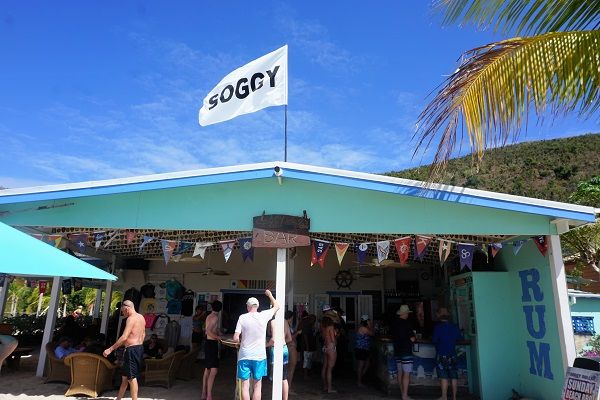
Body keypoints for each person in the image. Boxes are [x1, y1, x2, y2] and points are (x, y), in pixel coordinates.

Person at [232, 290, 280, 400]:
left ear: (247, 306)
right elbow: (277, 306)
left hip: (244, 355)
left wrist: (238, 342)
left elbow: (235, 338)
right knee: (258, 386)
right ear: (257, 306)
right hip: (259, 356)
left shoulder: (242, 317)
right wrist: (270, 295)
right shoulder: (264, 315)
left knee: (245, 386)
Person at [103, 300, 146, 400]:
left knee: (131, 378)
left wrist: (110, 349)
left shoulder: (131, 319)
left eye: (122, 311)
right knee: (125, 378)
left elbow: (124, 337)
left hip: (132, 350)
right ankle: (118, 398)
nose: (123, 313)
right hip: (138, 348)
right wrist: (138, 345)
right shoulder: (141, 317)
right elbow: (143, 334)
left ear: (127, 308)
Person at [432, 308, 463, 400]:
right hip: (452, 354)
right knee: (454, 377)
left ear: (439, 316)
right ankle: (454, 398)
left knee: (443, 377)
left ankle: (444, 397)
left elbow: (434, 340)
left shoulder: (438, 328)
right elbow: (459, 338)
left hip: (441, 354)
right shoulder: (454, 327)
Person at [391, 305, 416, 400]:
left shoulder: (394, 324)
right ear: (405, 314)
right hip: (406, 351)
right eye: (408, 313)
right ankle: (405, 395)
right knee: (406, 373)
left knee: (400, 372)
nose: (408, 315)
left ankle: (402, 393)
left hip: (397, 350)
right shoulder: (407, 324)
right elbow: (412, 339)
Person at [202, 300, 223, 400]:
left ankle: (203, 393)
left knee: (207, 369)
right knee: (214, 370)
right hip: (211, 344)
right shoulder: (215, 317)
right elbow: (208, 331)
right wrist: (218, 338)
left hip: (208, 344)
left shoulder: (209, 316)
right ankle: (209, 396)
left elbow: (212, 329)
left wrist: (219, 332)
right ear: (220, 309)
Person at [355, 314, 374, 387]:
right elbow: (372, 334)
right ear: (366, 321)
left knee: (367, 363)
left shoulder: (363, 328)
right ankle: (359, 381)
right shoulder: (364, 328)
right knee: (361, 365)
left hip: (363, 349)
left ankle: (360, 378)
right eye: (368, 321)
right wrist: (370, 326)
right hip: (361, 349)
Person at [320, 313, 337, 393]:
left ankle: (324, 386)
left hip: (325, 347)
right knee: (330, 369)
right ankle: (330, 388)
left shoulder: (323, 328)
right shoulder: (331, 327)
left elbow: (324, 338)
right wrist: (336, 335)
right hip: (331, 347)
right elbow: (333, 340)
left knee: (325, 367)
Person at [284, 310, 299, 391]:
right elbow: (289, 338)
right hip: (291, 347)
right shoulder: (287, 325)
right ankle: (288, 388)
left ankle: (288, 387)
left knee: (289, 368)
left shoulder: (287, 325)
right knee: (291, 368)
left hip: (290, 347)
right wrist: (297, 333)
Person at [300, 313, 317, 378]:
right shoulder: (307, 325)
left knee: (309, 359)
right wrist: (307, 346)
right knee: (306, 360)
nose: (314, 321)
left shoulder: (311, 325)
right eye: (314, 319)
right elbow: (305, 336)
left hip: (310, 345)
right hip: (306, 346)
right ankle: (305, 374)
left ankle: (308, 373)